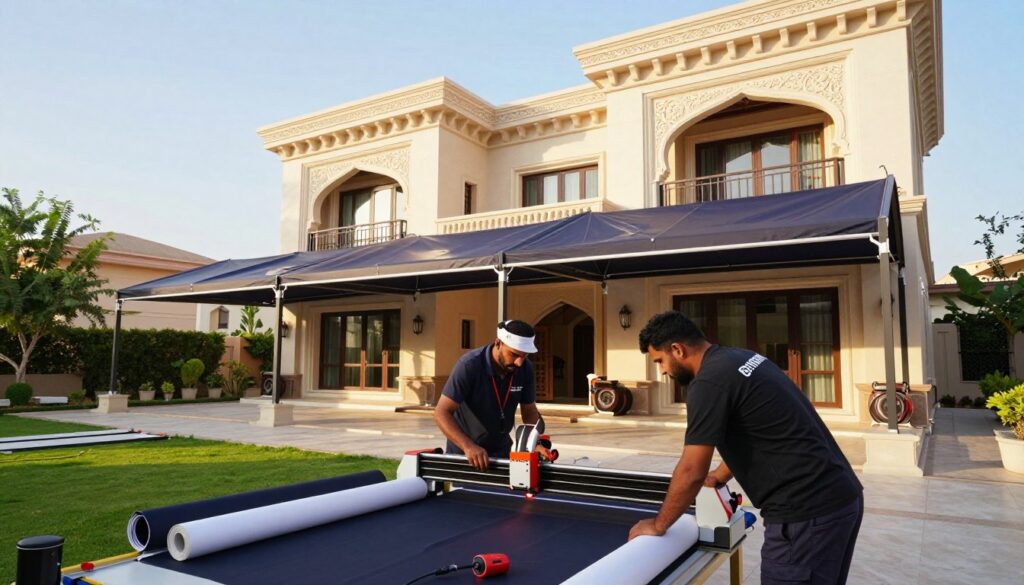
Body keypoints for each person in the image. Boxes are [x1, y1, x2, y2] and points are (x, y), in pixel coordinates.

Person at [629, 311, 863, 585]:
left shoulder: (707, 382)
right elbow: (759, 430)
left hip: (805, 515)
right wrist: (719, 476)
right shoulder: (743, 359)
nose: (663, 371)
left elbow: (692, 468)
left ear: (677, 349)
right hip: (841, 499)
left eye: (660, 361)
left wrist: (659, 525)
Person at [434, 319, 548, 470]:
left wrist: (535, 442)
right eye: (514, 354)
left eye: (524, 356)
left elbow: (529, 411)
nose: (519, 362)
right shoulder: (469, 366)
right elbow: (441, 412)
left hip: (502, 453)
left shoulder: (525, 369)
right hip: (465, 456)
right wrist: (468, 447)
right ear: (498, 343)